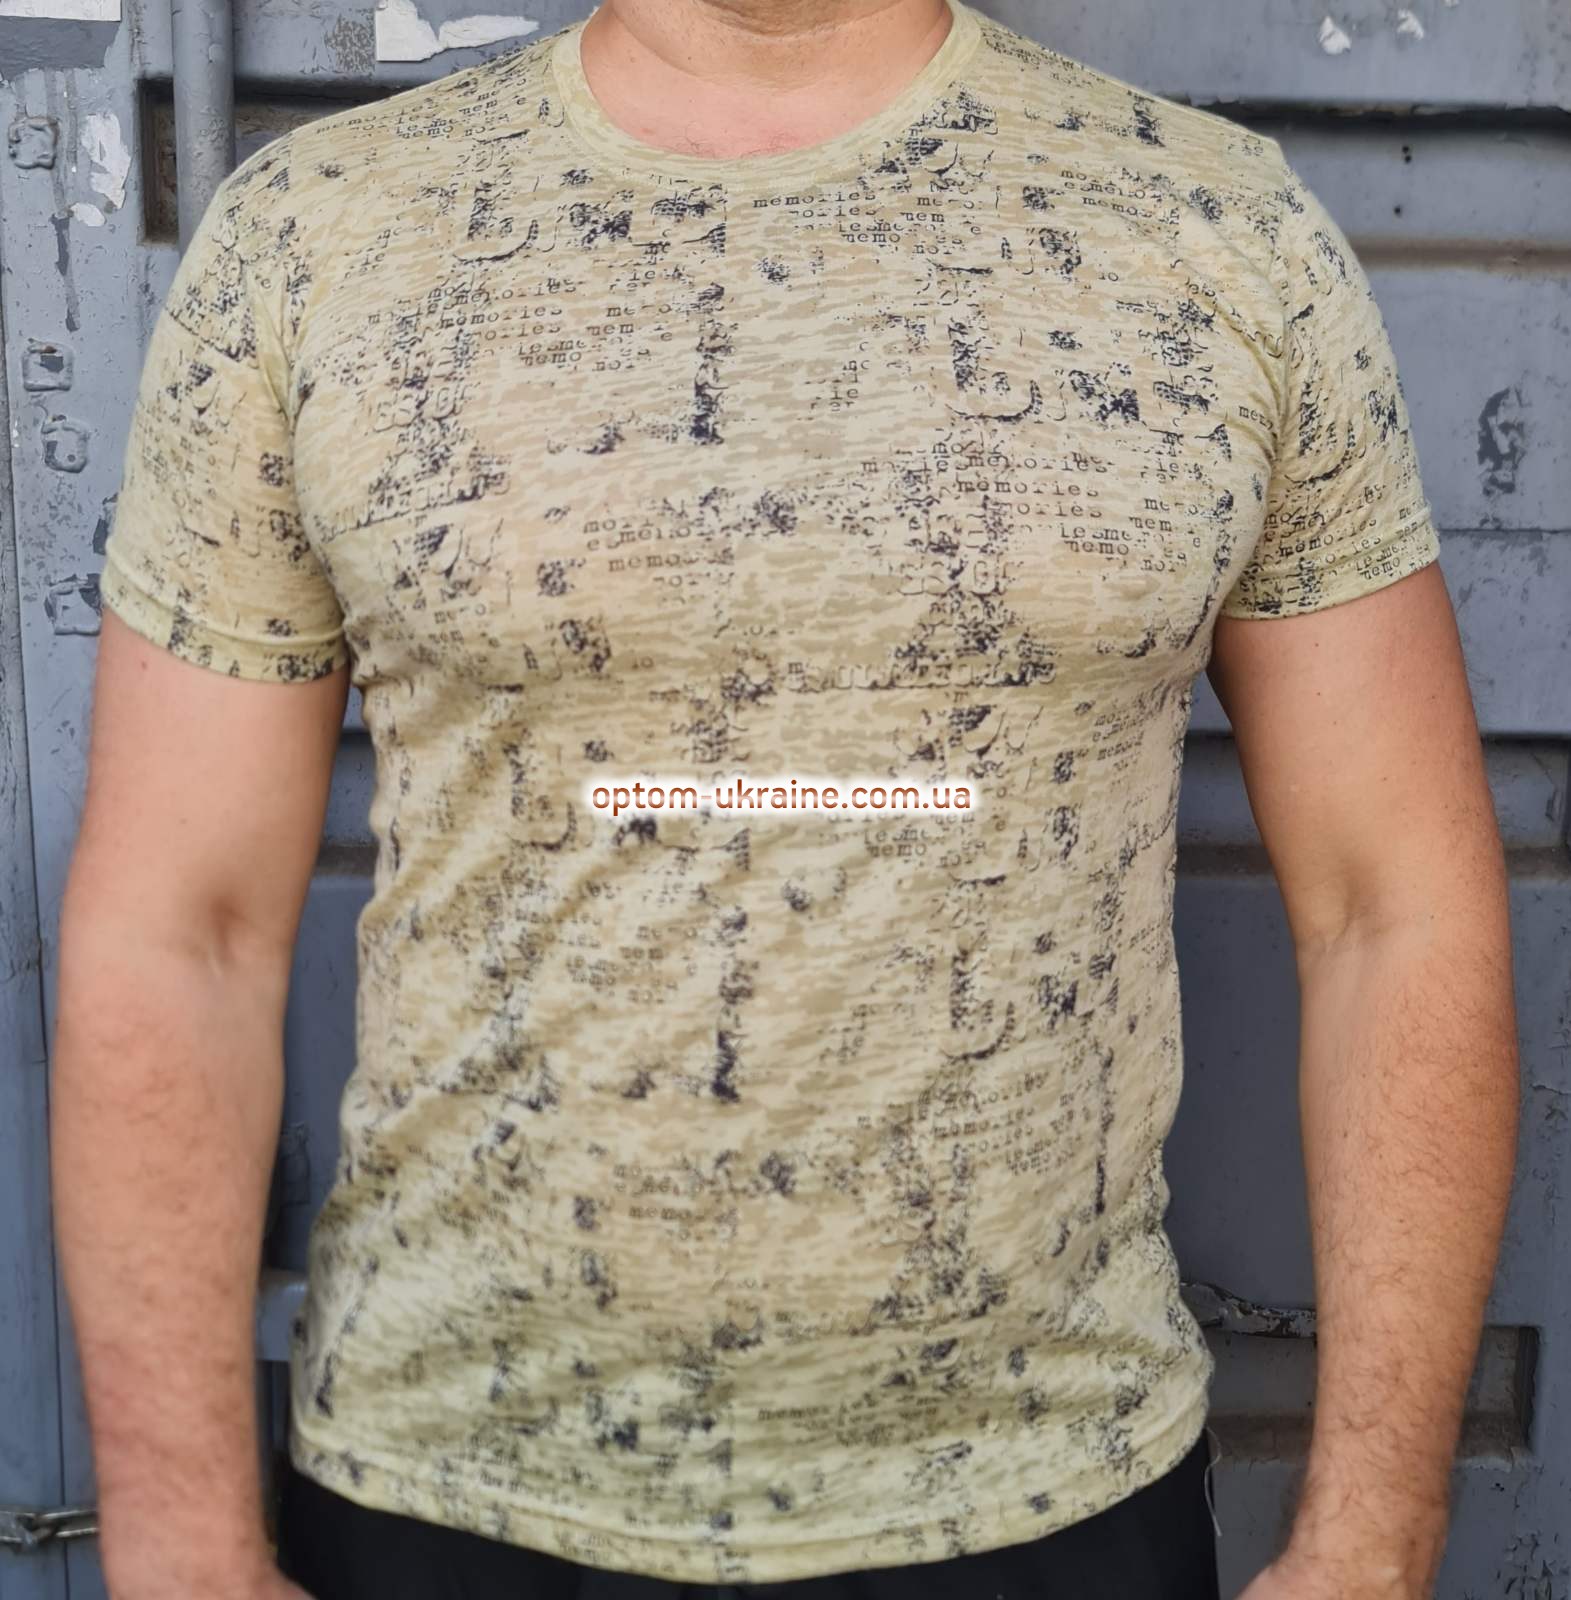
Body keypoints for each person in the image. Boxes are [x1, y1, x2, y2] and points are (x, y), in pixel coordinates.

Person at [51, 0, 1519, 1595]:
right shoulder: (320, 234)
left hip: (1049, 1490)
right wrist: (181, 1547)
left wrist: (1377, 1534)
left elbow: (1394, 908)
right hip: (448, 1485)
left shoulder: (1215, 230)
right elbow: (179, 933)